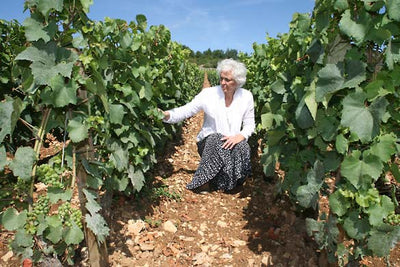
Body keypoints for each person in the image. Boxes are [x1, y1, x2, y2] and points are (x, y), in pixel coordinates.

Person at [160, 58, 255, 192]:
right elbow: (186, 110)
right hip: (209, 143)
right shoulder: (208, 94)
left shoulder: (246, 97)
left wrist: (240, 136)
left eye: (227, 80)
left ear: (237, 81)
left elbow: (250, 125)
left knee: (243, 145)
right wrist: (166, 115)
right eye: (221, 78)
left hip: (231, 143)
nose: (223, 82)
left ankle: (231, 181)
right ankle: (203, 181)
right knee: (215, 138)